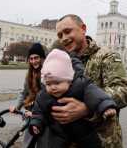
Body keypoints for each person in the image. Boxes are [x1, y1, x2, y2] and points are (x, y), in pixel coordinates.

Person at [51, 14, 127, 148]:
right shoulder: (63, 63)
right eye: (60, 35)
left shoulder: (107, 57)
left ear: (83, 29)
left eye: (68, 32)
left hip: (104, 142)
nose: (64, 38)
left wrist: (87, 108)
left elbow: (122, 90)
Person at [28, 49, 120, 148]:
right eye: (48, 84)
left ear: (69, 81)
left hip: (83, 132)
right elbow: (39, 111)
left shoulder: (80, 84)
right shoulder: (44, 95)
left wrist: (105, 106)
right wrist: (36, 124)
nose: (53, 87)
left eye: (57, 83)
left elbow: (96, 94)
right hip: (58, 135)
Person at [9, 43, 48, 148]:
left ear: (42, 58)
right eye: (31, 58)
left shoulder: (47, 74)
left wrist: (35, 114)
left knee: (43, 142)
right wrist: (16, 106)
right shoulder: (29, 74)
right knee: (28, 143)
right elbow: (24, 92)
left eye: (36, 58)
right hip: (31, 114)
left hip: (44, 115)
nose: (33, 61)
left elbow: (48, 99)